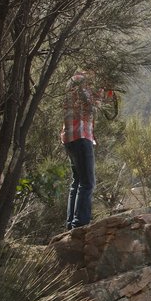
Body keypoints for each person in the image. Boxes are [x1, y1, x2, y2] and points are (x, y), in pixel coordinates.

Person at [60, 68, 111, 230]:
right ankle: (80, 224)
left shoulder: (73, 81)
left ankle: (71, 223)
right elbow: (92, 105)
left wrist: (103, 93)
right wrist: (102, 91)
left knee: (77, 181)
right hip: (81, 135)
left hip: (69, 137)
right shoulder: (80, 82)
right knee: (88, 182)